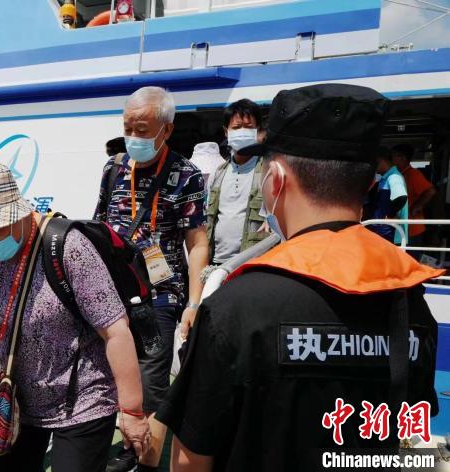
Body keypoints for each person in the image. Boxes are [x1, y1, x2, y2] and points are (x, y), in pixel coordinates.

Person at [157, 83, 442, 471]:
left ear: (275, 179)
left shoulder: (235, 307)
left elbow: (190, 460)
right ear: (369, 184)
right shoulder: (409, 300)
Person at [0, 163, 149, 472]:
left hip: (82, 399)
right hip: (18, 397)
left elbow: (115, 330)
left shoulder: (69, 247)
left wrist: (132, 412)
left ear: (18, 213)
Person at [93, 86, 209, 472]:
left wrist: (194, 302)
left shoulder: (187, 175)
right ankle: (123, 444)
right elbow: (98, 225)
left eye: (142, 130)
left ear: (166, 130)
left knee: (151, 379)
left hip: (160, 294)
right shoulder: (113, 168)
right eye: (128, 128)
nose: (133, 137)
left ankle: (146, 460)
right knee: (109, 373)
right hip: (111, 291)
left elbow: (197, 242)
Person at [204, 98, 269, 269]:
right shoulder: (218, 173)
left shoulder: (268, 170)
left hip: (253, 264)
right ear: (226, 132)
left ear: (258, 131)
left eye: (248, 127)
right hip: (217, 264)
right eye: (237, 127)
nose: (242, 132)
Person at [391, 143, 437, 246]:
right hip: (403, 228)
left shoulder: (413, 174)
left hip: (412, 229)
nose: (391, 159)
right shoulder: (400, 175)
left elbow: (430, 191)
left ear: (402, 158)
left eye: (393, 156)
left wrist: (417, 206)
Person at [370, 146, 408, 244]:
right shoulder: (385, 178)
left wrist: (390, 215)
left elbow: (401, 197)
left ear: (380, 160)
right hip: (383, 233)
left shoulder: (394, 177)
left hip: (391, 235)